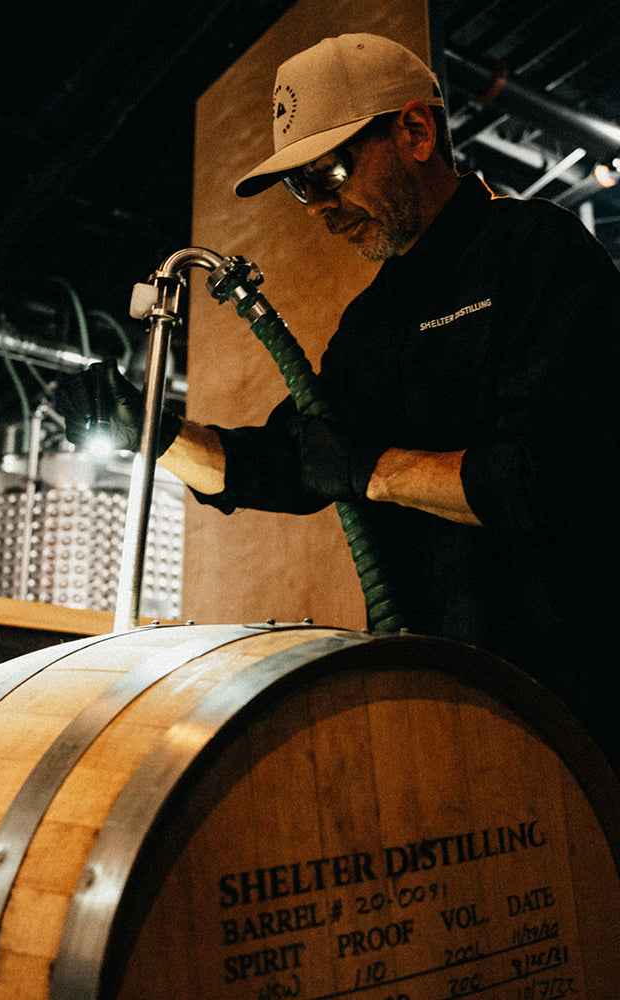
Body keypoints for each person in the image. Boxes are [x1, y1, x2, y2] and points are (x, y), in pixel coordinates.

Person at [57, 34, 620, 772]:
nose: (319, 206)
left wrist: (371, 470)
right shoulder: (372, 322)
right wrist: (156, 433)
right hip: (437, 703)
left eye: (329, 170)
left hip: (573, 707)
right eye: (301, 187)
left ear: (415, 131)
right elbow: (286, 464)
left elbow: (554, 480)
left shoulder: (537, 249)